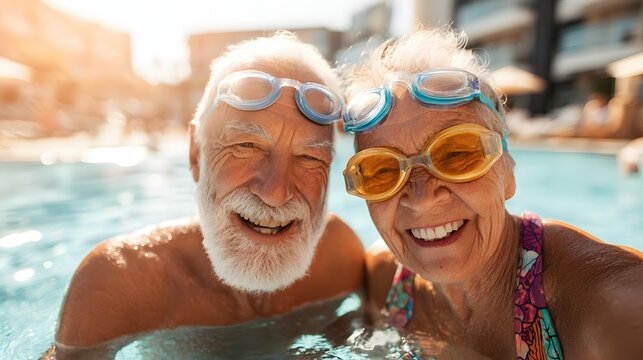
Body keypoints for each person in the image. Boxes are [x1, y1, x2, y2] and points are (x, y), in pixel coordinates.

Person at [49, 32, 365, 356]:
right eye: (246, 146)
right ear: (195, 154)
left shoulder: (340, 259)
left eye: (310, 158)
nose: (276, 193)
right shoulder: (121, 284)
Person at [341, 27, 643, 359]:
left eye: (456, 155)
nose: (422, 196)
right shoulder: (383, 279)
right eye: (381, 170)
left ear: (508, 173)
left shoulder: (604, 301)